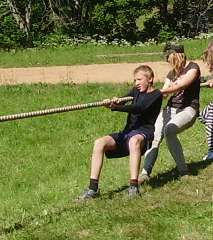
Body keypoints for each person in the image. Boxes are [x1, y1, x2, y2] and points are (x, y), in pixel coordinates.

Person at [77, 65, 162, 200]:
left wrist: (116, 107)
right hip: (128, 132)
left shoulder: (156, 95)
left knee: (134, 141)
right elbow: (123, 101)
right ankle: (93, 188)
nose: (136, 83)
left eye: (139, 79)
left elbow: (138, 108)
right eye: (135, 80)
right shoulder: (135, 91)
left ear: (150, 79)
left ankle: (133, 186)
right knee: (99, 143)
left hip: (144, 133)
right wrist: (112, 102)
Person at [138, 43, 200, 183]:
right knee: (153, 136)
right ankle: (145, 173)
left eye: (168, 56)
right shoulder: (171, 74)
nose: (166, 60)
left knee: (170, 130)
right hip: (170, 109)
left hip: (188, 109)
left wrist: (159, 92)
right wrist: (148, 95)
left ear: (176, 54)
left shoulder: (193, 68)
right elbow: (165, 94)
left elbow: (182, 85)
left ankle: (183, 170)